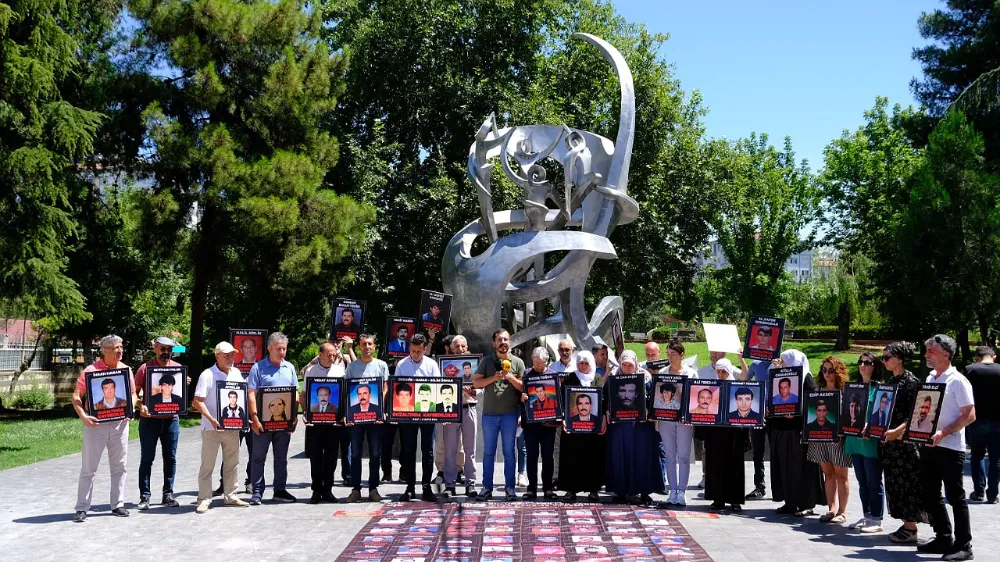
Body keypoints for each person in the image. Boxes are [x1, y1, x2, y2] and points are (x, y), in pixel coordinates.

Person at [915, 334, 975, 561]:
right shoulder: (931, 377)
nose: (926, 354)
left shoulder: (958, 380)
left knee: (955, 497)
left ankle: (964, 545)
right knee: (930, 494)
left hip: (950, 447)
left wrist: (943, 432)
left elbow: (970, 415)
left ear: (946, 354)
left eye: (931, 350)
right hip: (929, 445)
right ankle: (943, 536)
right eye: (927, 350)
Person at [71, 335, 138, 522]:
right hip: (96, 426)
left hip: (119, 425)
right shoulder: (90, 371)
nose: (120, 350)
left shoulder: (126, 370)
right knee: (88, 468)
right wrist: (83, 416)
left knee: (120, 466)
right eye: (116, 347)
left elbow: (132, 394)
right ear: (105, 350)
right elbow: (76, 397)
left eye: (121, 346)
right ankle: (82, 508)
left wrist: (130, 409)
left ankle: (118, 504)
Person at [879, 341, 929, 544]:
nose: (884, 361)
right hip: (890, 442)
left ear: (899, 358)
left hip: (905, 443)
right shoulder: (891, 381)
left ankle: (911, 527)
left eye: (887, 357)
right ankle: (907, 524)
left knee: (908, 483)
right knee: (895, 484)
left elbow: (915, 415)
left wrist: (897, 431)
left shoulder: (910, 382)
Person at [193, 342, 251, 513]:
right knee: (207, 466)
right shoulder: (208, 375)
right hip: (212, 429)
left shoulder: (236, 373)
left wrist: (245, 419)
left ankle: (231, 496)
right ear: (217, 356)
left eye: (232, 354)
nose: (230, 358)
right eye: (226, 355)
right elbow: (197, 401)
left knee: (232, 464)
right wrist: (211, 419)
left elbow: (241, 399)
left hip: (232, 428)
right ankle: (203, 499)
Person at [133, 335, 185, 509]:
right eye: (162, 349)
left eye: (169, 349)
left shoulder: (178, 369)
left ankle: (168, 494)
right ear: (155, 348)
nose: (166, 352)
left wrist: (184, 384)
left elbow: (181, 396)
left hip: (171, 420)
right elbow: (134, 392)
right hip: (149, 421)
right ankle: (144, 496)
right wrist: (140, 405)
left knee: (170, 458)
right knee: (147, 458)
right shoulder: (145, 368)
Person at [605, 351, 664, 505]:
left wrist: (649, 410)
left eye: (630, 364)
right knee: (619, 456)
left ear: (635, 363)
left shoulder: (646, 378)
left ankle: (644, 491)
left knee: (642, 457)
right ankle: (621, 491)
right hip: (619, 426)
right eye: (624, 364)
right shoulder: (612, 377)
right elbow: (604, 398)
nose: (627, 367)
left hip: (641, 426)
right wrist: (607, 411)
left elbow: (654, 398)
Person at [770, 349, 824, 518]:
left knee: (802, 468)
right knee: (787, 467)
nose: (783, 365)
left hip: (798, 431)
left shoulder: (806, 379)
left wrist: (797, 413)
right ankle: (790, 501)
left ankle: (807, 503)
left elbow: (813, 402)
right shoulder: (781, 377)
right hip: (783, 429)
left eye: (785, 362)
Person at [247, 332, 299, 505]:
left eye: (284, 348)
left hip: (284, 422)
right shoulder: (258, 368)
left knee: (281, 458)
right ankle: (257, 491)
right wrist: (254, 418)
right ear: (269, 348)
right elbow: (252, 395)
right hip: (262, 422)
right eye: (278, 348)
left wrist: (294, 417)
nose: (282, 352)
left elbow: (295, 394)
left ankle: (280, 490)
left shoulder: (289, 368)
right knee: (258, 457)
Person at [473, 329, 525, 501]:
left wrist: (510, 377)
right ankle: (486, 488)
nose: (503, 342)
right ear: (493, 343)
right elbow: (476, 382)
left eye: (506, 339)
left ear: (509, 342)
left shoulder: (517, 362)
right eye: (499, 340)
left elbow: (523, 388)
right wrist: (493, 378)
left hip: (510, 415)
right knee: (488, 453)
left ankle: (509, 488)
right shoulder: (487, 361)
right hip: (489, 415)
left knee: (509, 453)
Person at [394, 333, 441, 502]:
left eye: (419, 351)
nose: (415, 354)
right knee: (408, 450)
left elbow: (437, 388)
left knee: (427, 450)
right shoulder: (401, 364)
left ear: (424, 349)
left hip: (427, 412)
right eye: (413, 351)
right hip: (407, 413)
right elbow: (397, 389)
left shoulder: (431, 365)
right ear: (409, 348)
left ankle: (426, 487)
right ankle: (410, 486)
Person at [301, 341, 349, 504]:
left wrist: (342, 415)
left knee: (331, 457)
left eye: (334, 354)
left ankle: (328, 489)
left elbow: (344, 396)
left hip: (334, 423)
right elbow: (305, 394)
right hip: (315, 423)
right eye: (328, 354)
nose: (332, 357)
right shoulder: (311, 371)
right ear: (320, 354)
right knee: (315, 456)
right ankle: (316, 490)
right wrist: (305, 413)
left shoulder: (340, 371)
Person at [806, 357, 852, 525]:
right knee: (828, 473)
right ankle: (831, 509)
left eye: (830, 370)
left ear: (838, 372)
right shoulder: (818, 391)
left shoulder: (845, 392)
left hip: (838, 439)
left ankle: (842, 511)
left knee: (841, 475)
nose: (827, 374)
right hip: (819, 439)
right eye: (824, 370)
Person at [345, 334, 389, 503]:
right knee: (355, 454)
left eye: (370, 344)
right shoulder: (352, 367)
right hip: (355, 417)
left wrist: (381, 410)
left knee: (375, 454)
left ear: (374, 346)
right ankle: (356, 489)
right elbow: (347, 391)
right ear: (359, 347)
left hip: (375, 417)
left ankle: (373, 488)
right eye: (363, 344)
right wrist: (347, 414)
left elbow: (385, 389)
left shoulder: (381, 365)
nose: (367, 347)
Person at [558, 350, 606, 502]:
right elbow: (563, 400)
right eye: (580, 363)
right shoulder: (570, 378)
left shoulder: (597, 378)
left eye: (586, 363)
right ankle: (571, 490)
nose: (583, 365)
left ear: (591, 363)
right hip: (573, 428)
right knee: (571, 457)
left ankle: (593, 490)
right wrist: (564, 418)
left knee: (593, 458)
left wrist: (604, 419)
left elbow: (603, 401)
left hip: (593, 428)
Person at [844, 351, 885, 534]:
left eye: (867, 362)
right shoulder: (854, 388)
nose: (863, 365)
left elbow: (882, 415)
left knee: (873, 480)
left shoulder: (880, 389)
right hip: (854, 439)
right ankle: (867, 515)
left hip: (870, 441)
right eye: (860, 362)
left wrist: (871, 427)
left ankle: (876, 518)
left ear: (875, 366)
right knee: (861, 480)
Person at [703, 358, 748, 512]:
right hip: (716, 431)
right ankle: (718, 499)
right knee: (716, 464)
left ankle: (735, 500)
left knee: (734, 464)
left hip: (734, 431)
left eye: (724, 371)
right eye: (719, 371)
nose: (721, 374)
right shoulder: (712, 388)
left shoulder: (736, 387)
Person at [658, 339, 697, 506]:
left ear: (681, 355)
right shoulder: (663, 371)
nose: (670, 357)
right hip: (666, 420)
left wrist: (689, 416)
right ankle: (672, 489)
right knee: (670, 455)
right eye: (667, 354)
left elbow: (695, 397)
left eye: (673, 354)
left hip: (684, 421)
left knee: (683, 455)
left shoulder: (691, 373)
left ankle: (682, 490)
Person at [439, 334, 478, 497]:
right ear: (451, 348)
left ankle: (471, 483)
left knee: (470, 449)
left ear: (467, 347)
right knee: (450, 449)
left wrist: (476, 391)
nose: (460, 349)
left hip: (469, 407)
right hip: (450, 410)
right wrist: (442, 413)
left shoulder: (474, 364)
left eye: (463, 346)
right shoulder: (445, 365)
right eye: (457, 346)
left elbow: (480, 386)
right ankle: (450, 484)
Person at [521, 347, 560, 500]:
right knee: (531, 456)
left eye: (540, 364)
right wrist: (523, 396)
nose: (537, 366)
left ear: (546, 362)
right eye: (535, 363)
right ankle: (531, 488)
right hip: (530, 425)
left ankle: (548, 488)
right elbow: (523, 394)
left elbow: (558, 400)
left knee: (547, 456)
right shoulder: (526, 374)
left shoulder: (552, 375)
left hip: (548, 425)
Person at [964, 345, 1000, 503]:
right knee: (995, 458)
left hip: (976, 419)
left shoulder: (970, 370)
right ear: (994, 357)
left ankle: (978, 491)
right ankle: (993, 494)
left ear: (977, 358)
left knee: (977, 455)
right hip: (998, 420)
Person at [746, 358, 772, 500]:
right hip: (757, 413)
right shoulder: (755, 364)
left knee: (778, 453)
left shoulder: (780, 364)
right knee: (758, 452)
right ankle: (760, 486)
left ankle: (780, 487)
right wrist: (740, 359)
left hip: (776, 414)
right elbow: (744, 379)